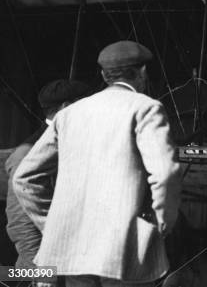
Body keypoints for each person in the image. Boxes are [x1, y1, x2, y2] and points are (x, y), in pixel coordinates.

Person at [13, 40, 181, 287]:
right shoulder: (146, 108)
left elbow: (23, 178)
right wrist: (161, 223)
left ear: (104, 75)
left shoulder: (69, 115)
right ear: (143, 73)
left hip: (71, 249)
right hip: (122, 249)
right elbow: (165, 174)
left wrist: (53, 225)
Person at [5, 79, 91, 268]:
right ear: (67, 107)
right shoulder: (30, 153)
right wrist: (40, 272)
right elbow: (20, 222)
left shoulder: (73, 142)